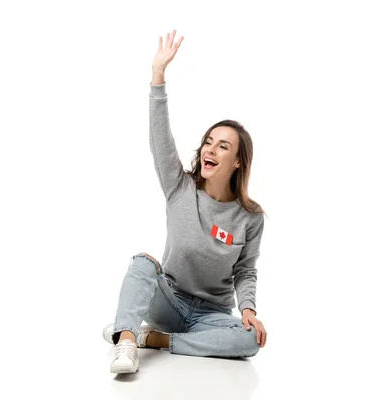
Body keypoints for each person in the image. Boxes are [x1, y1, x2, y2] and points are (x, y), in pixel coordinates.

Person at [103, 29, 268, 374]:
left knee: (249, 340)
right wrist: (157, 78)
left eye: (223, 145)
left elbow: (245, 270)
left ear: (238, 161)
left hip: (212, 315)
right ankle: (129, 340)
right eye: (209, 141)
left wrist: (249, 310)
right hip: (170, 303)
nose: (211, 149)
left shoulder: (251, 218)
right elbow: (159, 137)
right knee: (142, 262)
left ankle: (158, 341)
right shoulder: (180, 188)